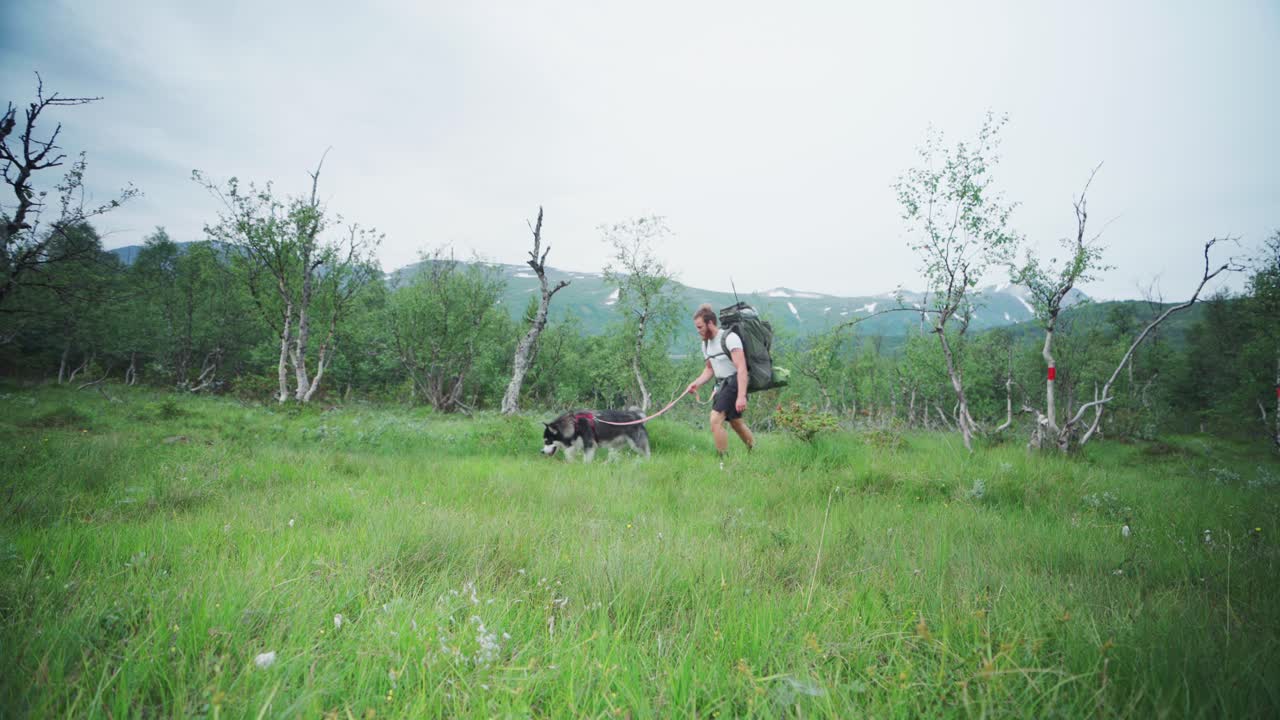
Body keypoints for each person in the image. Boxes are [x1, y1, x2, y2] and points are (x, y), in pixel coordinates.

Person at [686, 304, 754, 460]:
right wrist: (696, 383)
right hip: (721, 385)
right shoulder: (705, 344)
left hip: (735, 382)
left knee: (715, 420)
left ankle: (722, 460)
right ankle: (753, 450)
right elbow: (709, 369)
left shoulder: (730, 338)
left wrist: (741, 396)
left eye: (700, 327)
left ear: (710, 323)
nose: (698, 331)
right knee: (736, 422)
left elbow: (742, 368)